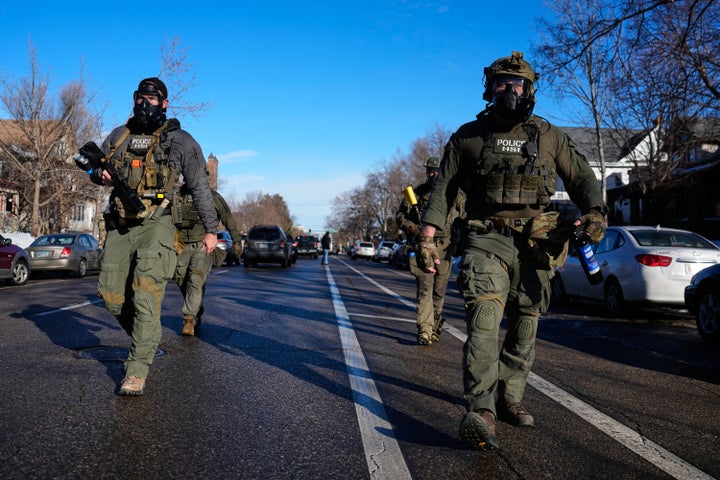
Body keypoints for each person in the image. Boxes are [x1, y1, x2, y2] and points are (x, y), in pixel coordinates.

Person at [417, 52, 606, 450]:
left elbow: (583, 178)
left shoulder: (550, 135)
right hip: (486, 238)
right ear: (490, 87)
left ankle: (510, 397)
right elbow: (443, 190)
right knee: (484, 322)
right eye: (502, 83)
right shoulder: (468, 136)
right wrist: (428, 236)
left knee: (525, 325)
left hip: (538, 243)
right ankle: (482, 408)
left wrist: (595, 213)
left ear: (530, 89)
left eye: (518, 84)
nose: (510, 90)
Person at [87, 77, 219, 396]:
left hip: (157, 223)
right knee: (110, 295)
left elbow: (200, 186)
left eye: (152, 98)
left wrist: (212, 229)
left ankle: (137, 369)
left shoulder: (181, 141)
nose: (144, 103)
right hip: (120, 224)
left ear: (164, 102)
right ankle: (148, 336)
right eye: (139, 97)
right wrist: (99, 175)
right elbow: (96, 170)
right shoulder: (120, 136)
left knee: (146, 292)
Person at [396, 157, 464, 345]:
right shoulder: (415, 194)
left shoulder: (454, 193)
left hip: (446, 248)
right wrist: (415, 229)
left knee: (439, 292)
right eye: (430, 171)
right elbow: (401, 217)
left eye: (436, 171)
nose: (433, 174)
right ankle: (424, 330)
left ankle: (434, 327)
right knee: (425, 290)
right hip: (424, 247)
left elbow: (465, 216)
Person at [175, 190, 243, 336]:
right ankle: (196, 308)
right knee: (181, 278)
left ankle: (189, 319)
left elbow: (227, 218)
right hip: (180, 245)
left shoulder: (212, 196)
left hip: (203, 244)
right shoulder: (178, 194)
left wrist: (237, 241)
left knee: (196, 279)